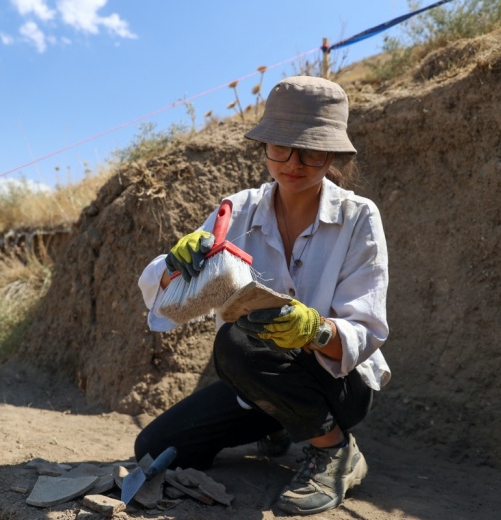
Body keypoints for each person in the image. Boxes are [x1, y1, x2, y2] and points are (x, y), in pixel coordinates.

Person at [136, 75, 390, 516]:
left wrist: (314, 329)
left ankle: (333, 451)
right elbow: (170, 303)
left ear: (332, 154)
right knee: (154, 446)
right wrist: (174, 267)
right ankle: (281, 423)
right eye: (281, 146)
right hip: (256, 381)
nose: (293, 162)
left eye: (310, 149)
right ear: (265, 147)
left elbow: (365, 330)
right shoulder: (236, 210)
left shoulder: (358, 217)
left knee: (238, 340)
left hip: (336, 385)